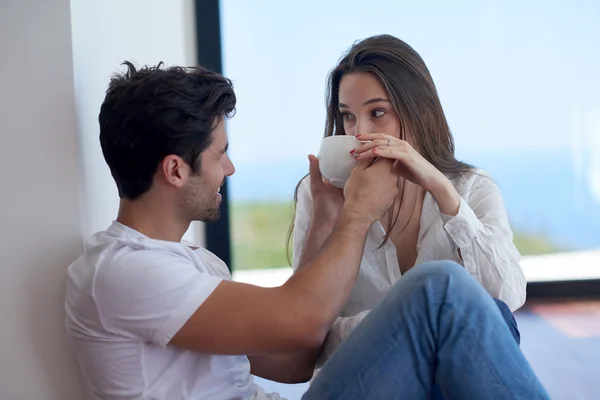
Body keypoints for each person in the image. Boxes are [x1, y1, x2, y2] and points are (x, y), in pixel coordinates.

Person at [65, 61, 549, 400]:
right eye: (220, 154)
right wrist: (355, 215)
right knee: (440, 291)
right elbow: (300, 320)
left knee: (471, 312)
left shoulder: (192, 264)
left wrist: (325, 218)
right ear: (174, 170)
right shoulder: (124, 271)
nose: (230, 169)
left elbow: (295, 360)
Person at [290, 35, 527, 379]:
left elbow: (507, 295)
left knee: (493, 314)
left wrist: (443, 192)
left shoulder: (471, 188)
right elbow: (304, 334)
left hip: (450, 381)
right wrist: (416, 326)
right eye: (348, 116)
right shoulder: (321, 195)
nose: (360, 133)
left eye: (378, 113)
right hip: (367, 379)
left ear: (421, 114)